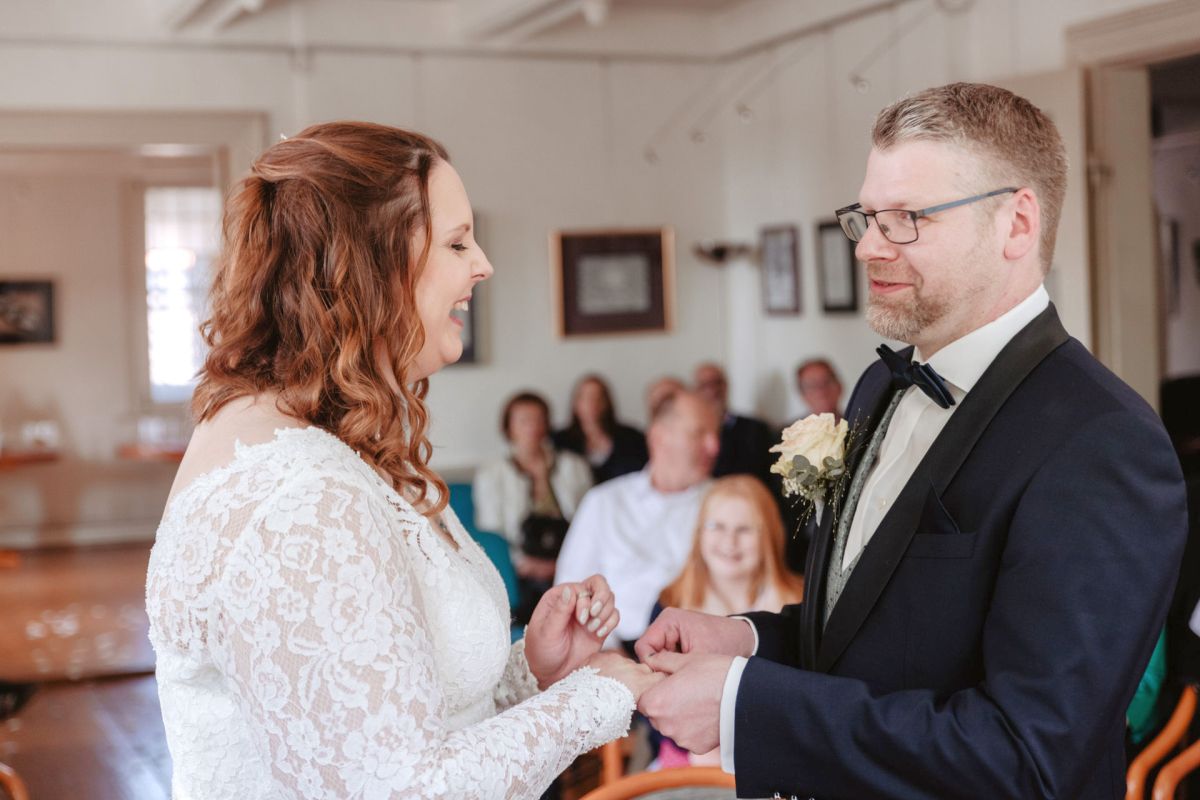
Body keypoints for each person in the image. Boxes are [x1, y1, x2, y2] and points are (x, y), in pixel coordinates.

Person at [636, 83, 1187, 799]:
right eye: (867, 216)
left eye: (905, 219)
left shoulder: (1102, 443)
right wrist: (745, 641)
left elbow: (1025, 757)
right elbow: (876, 629)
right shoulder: (878, 387)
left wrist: (745, 702)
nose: (867, 246)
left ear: (1016, 224)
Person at [145, 122, 659, 800]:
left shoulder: (321, 443)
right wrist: (598, 697)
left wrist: (530, 673)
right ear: (367, 265)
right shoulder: (297, 501)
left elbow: (390, 728)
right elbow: (403, 792)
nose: (483, 265)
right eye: (456, 242)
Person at [652, 475, 803, 768]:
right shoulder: (669, 605)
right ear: (699, 534)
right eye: (716, 527)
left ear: (769, 536)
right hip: (688, 760)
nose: (729, 542)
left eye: (744, 530)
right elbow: (652, 699)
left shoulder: (801, 604)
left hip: (778, 759)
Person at [555, 390, 720, 650]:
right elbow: (571, 591)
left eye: (716, 434)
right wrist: (611, 657)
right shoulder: (604, 502)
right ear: (658, 436)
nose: (714, 446)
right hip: (617, 651)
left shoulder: (725, 503)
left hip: (704, 654)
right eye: (699, 434)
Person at [474, 390, 593, 624]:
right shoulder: (492, 474)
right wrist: (524, 564)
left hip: (570, 557)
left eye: (538, 419)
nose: (532, 427)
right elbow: (490, 533)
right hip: (520, 568)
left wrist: (565, 562)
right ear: (508, 427)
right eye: (523, 420)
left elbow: (590, 523)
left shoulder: (574, 466)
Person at [552, 374, 648, 484]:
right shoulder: (560, 441)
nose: (592, 404)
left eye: (598, 398)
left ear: (607, 402)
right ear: (575, 404)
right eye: (586, 398)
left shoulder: (632, 438)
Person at [692, 363, 774, 485]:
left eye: (717, 382)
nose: (713, 390)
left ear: (726, 385)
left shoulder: (756, 429)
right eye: (705, 385)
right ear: (695, 391)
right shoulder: (689, 435)